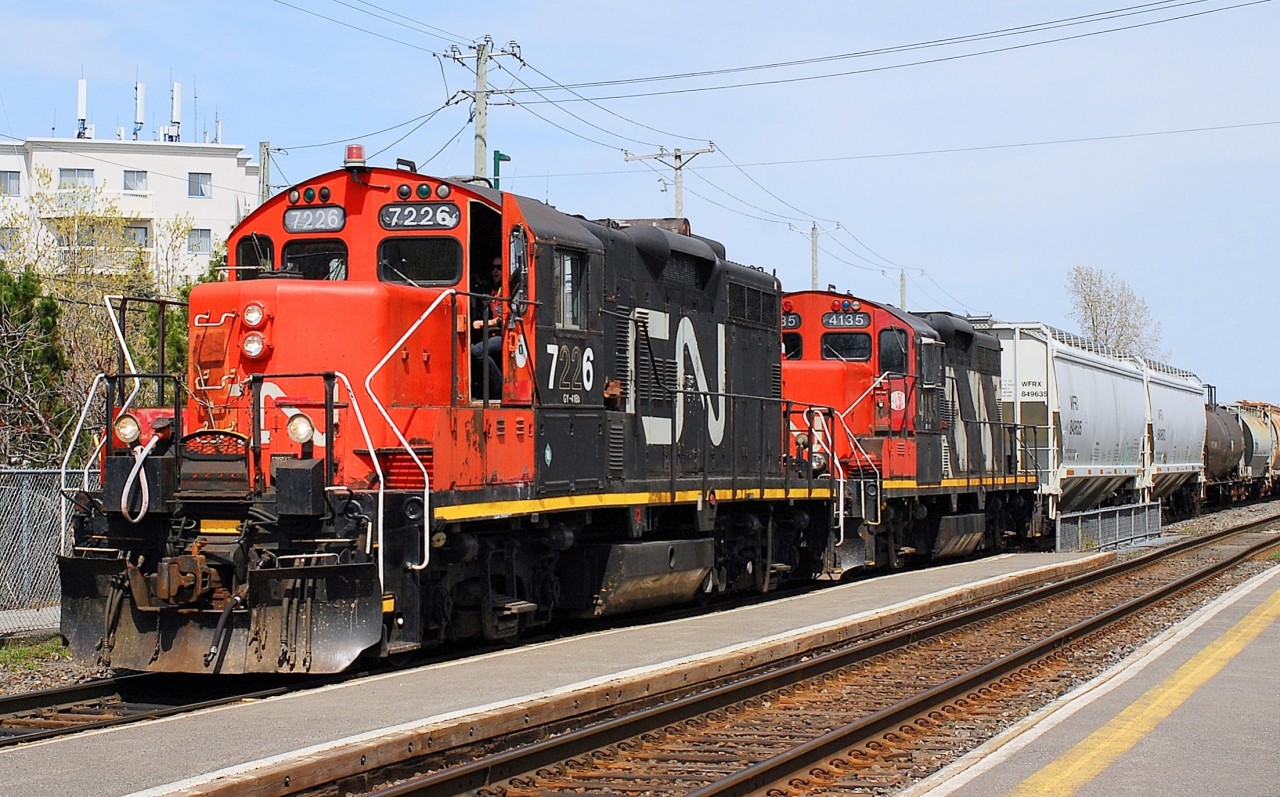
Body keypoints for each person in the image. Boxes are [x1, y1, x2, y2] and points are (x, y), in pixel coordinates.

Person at [470, 258, 504, 399]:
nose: (495, 270)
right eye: (493, 267)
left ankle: (499, 386)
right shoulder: (491, 290)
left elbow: (502, 320)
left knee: (477, 351)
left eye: (499, 267)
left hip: (505, 335)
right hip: (493, 333)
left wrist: (482, 323)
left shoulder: (505, 291)